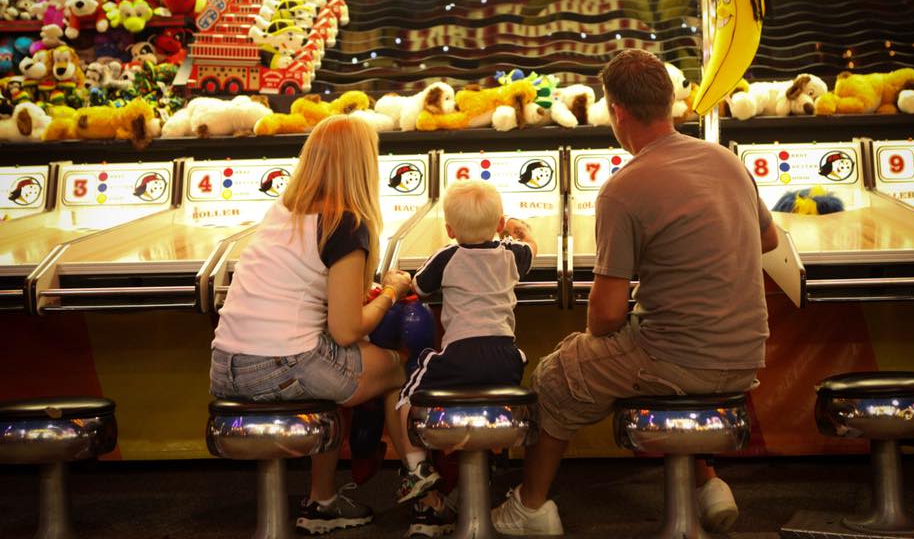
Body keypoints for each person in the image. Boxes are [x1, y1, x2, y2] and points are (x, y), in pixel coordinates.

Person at [492, 49, 779, 536]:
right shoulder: (726, 161)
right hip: (748, 355)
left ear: (617, 112)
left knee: (558, 374)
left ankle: (531, 507)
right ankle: (707, 485)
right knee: (661, 357)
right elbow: (768, 239)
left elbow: (603, 316)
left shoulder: (623, 189)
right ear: (670, 103)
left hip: (678, 357)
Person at [209, 115, 425, 536]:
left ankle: (323, 502)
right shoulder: (345, 222)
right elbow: (346, 329)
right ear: (363, 166)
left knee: (336, 370)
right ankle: (419, 481)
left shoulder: (282, 211)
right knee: (402, 367)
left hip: (225, 366)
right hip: (284, 366)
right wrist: (393, 292)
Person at [398, 180, 538, 534]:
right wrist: (523, 231)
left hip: (461, 354)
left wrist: (396, 281)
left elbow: (418, 286)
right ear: (500, 222)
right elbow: (532, 249)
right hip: (506, 357)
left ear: (448, 229)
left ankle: (416, 469)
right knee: (511, 368)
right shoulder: (512, 254)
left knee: (406, 396)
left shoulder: (446, 256)